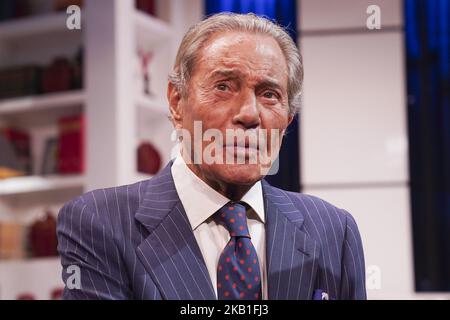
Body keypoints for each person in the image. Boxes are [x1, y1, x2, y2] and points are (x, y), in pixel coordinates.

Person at [57, 12, 366, 300]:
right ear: (177, 103)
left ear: (288, 118)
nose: (249, 114)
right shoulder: (99, 221)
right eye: (223, 87)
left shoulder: (333, 231)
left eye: (269, 94)